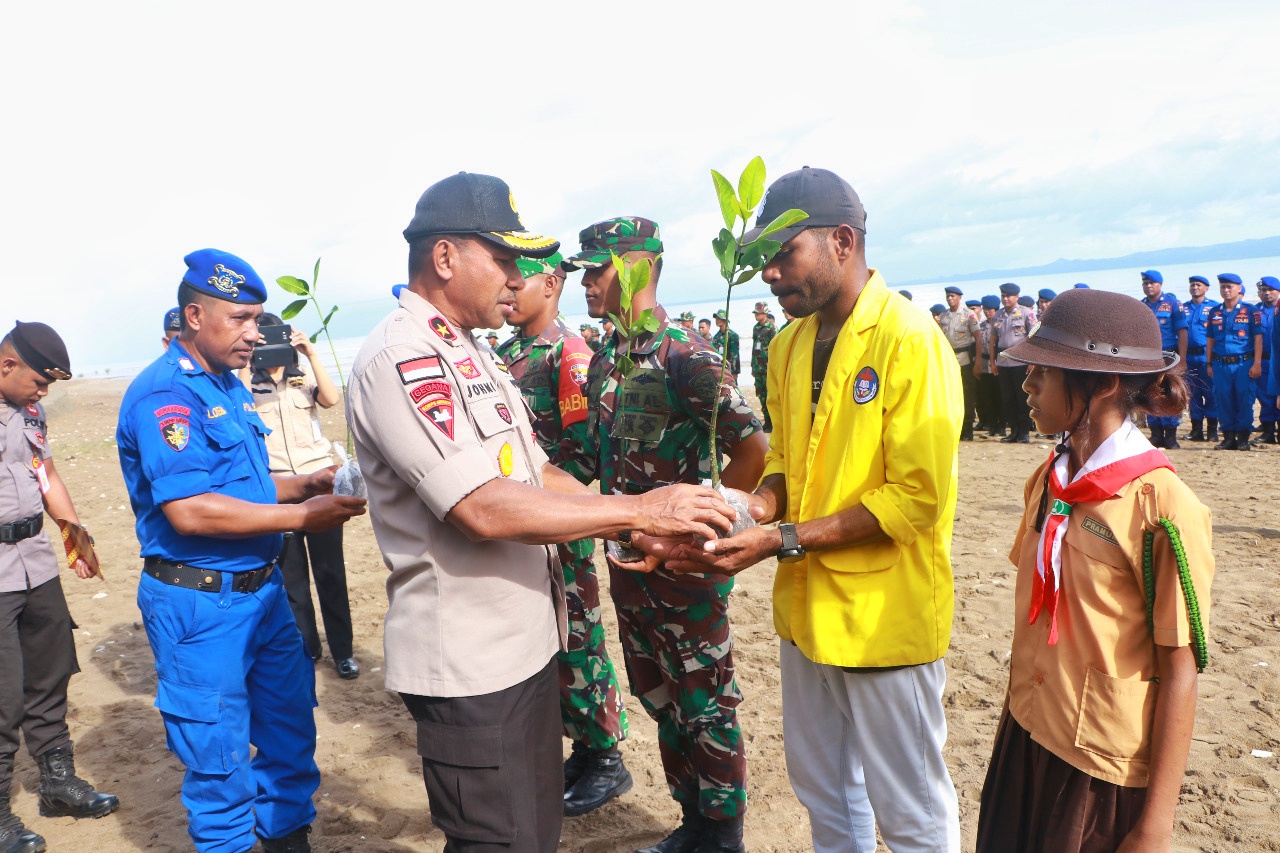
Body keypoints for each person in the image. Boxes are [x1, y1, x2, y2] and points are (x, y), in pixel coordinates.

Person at [345, 174, 738, 853]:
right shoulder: (404, 354)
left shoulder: (467, 349)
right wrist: (640, 505)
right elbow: (483, 507)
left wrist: (631, 519)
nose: (517, 276)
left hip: (524, 646)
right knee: (499, 840)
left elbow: (537, 472)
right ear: (445, 258)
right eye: (501, 259)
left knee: (535, 832)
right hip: (471, 661)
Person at [660, 167, 963, 852]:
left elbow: (917, 499)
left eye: (783, 254)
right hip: (806, 612)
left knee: (912, 812)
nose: (768, 273)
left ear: (843, 241)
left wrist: (778, 539)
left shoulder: (910, 340)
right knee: (825, 794)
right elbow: (788, 465)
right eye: (764, 259)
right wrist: (753, 505)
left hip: (884, 618)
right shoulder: (791, 345)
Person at [116, 249, 368, 853]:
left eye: (258, 319)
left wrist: (302, 485)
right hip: (199, 607)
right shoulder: (165, 396)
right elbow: (190, 509)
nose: (256, 333)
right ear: (195, 316)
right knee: (221, 763)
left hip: (263, 596)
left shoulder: (227, 383)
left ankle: (288, 841)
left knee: (289, 735)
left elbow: (241, 485)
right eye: (242, 319)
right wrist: (302, 515)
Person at [974, 288, 1213, 852]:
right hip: (1028, 728)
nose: (1027, 384)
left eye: (1043, 371)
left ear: (1103, 384)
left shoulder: (1163, 507)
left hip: (1097, 766)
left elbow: (1181, 670)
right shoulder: (1049, 479)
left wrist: (1155, 827)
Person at [561, 215, 769, 853]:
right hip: (628, 566)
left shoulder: (687, 356)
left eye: (598, 270)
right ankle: (693, 819)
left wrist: (705, 532)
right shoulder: (605, 362)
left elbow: (752, 451)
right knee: (660, 698)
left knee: (706, 699)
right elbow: (599, 466)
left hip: (683, 572)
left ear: (638, 268)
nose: (586, 285)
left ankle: (721, 829)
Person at [495, 251, 632, 816]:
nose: (508, 286)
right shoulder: (509, 353)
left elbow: (583, 452)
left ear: (551, 284)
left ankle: (605, 758)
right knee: (548, 640)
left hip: (560, 518)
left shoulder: (568, 352)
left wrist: (548, 502)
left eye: (519, 278)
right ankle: (582, 746)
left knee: (577, 636)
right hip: (526, 519)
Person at [0, 322, 119, 853]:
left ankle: (57, 785)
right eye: (39, 380)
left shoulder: (31, 413)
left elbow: (44, 471)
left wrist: (74, 532)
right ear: (7, 365)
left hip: (37, 562)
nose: (44, 391)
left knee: (49, 678)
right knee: (3, 698)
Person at [242, 314, 359, 679]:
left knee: (330, 573)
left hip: (320, 482)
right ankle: (308, 649)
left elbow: (331, 398)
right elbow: (239, 408)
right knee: (291, 578)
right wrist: (249, 360)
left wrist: (310, 353)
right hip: (278, 490)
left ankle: (343, 652)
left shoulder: (300, 376)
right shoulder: (247, 382)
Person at [1206, 273, 1262, 450]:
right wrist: (1209, 364)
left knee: (1245, 399)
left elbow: (1258, 338)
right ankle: (1228, 437)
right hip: (1220, 364)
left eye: (1230, 286)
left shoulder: (1250, 311)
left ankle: (1243, 438)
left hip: (1243, 363)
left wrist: (1257, 363)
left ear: (1239, 288)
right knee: (1222, 399)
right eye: (1223, 287)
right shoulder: (1215, 312)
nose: (1226, 290)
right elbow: (1210, 340)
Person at [1139, 270, 1188, 448]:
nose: (1148, 286)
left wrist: (1182, 359)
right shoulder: (1141, 306)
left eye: (1152, 283)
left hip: (1169, 355)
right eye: (1145, 283)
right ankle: (1156, 433)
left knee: (1169, 392)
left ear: (1160, 284)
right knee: (1150, 391)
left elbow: (1182, 332)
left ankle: (1171, 435)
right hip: (1148, 356)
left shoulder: (1173, 304)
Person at [990, 282, 1035, 443]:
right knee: (1007, 398)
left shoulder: (1025, 313)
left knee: (1021, 398)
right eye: (1003, 296)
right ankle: (1013, 431)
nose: (1005, 299)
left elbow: (1033, 337)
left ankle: (1024, 432)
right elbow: (993, 339)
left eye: (1008, 296)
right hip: (1003, 361)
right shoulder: (999, 315)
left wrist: (1031, 362)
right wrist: (992, 361)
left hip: (1020, 361)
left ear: (1017, 297)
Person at [939, 285, 981, 441]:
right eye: (948, 296)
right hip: (948, 359)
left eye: (953, 296)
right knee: (950, 394)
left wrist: (977, 363)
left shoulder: (968, 315)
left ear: (959, 297)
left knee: (966, 394)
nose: (950, 299)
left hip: (964, 359)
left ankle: (968, 428)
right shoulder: (944, 316)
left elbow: (978, 339)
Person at [1181, 275, 1219, 442]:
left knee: (1210, 393)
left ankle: (1212, 431)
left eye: (1198, 285)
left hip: (1206, 355)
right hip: (1189, 356)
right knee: (1192, 394)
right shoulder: (1183, 308)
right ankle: (1196, 430)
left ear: (1207, 288)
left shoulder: (1214, 308)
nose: (1195, 287)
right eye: (1192, 285)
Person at [1251, 276, 1278, 445]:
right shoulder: (1254, 311)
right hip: (1263, 359)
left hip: (1278, 359)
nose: (1266, 293)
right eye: (1262, 290)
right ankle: (1268, 431)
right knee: (1265, 397)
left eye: (1270, 290)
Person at [975, 295, 1005, 437]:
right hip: (984, 362)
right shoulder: (981, 326)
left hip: (998, 362)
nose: (987, 312)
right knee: (987, 396)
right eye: (985, 309)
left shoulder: (1000, 323)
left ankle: (1002, 425)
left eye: (990, 310)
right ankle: (992, 425)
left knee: (999, 395)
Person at [750, 302, 776, 432]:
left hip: (767, 368)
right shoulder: (756, 328)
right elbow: (754, 348)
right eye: (755, 313)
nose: (756, 315)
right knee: (761, 395)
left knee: (770, 395)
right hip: (758, 368)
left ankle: (773, 422)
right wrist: (752, 366)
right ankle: (767, 421)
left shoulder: (771, 328)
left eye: (758, 313)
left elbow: (775, 349)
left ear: (765, 313)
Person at [711, 309, 741, 377]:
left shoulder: (733, 335)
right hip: (719, 369)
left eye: (719, 318)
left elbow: (735, 356)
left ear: (724, 320)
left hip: (729, 369)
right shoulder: (716, 336)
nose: (716, 320)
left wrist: (734, 372)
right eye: (716, 318)